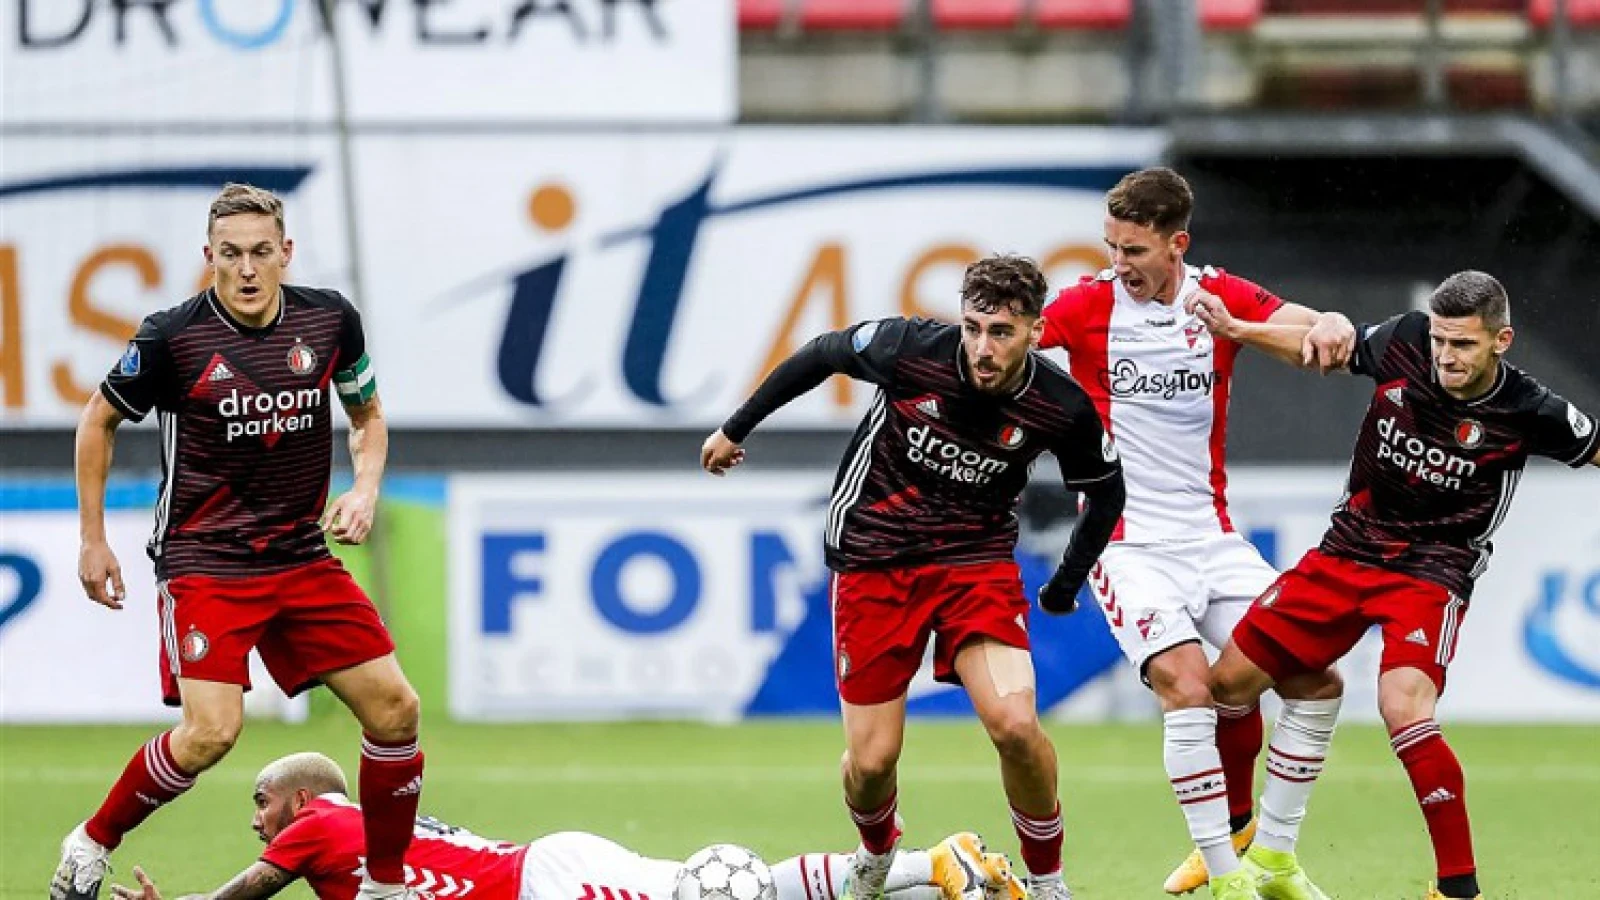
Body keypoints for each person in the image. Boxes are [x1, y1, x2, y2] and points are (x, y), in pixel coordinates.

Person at [701, 255, 1127, 900]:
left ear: (1036, 333)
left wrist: (1066, 583)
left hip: (974, 564)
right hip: (874, 560)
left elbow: (1106, 493)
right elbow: (820, 354)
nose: (983, 349)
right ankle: (875, 853)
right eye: (973, 327)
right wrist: (736, 428)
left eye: (1002, 333)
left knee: (1015, 725)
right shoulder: (908, 348)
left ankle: (1048, 881)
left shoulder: (1059, 405)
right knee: (871, 763)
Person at [54, 184, 426, 900]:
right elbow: (96, 421)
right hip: (205, 560)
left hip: (299, 554)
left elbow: (368, 415)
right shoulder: (170, 337)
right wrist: (92, 539)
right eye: (231, 255)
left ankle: (384, 886)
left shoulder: (329, 321)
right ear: (209, 257)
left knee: (396, 709)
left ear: (286, 253)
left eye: (261, 252)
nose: (247, 269)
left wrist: (365, 487)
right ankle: (91, 841)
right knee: (210, 734)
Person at [1189, 270, 1600, 900]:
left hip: (1432, 570)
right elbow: (1318, 350)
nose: (1445, 356)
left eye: (1462, 344)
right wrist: (1238, 330)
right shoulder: (1405, 341)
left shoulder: (1532, 409)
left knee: (1405, 709)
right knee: (1228, 683)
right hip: (1348, 548)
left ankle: (1457, 888)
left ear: (1502, 340)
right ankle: (1242, 837)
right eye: (1440, 340)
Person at [1036, 166, 1352, 900]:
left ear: (1176, 244)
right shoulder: (1087, 306)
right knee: (1188, 687)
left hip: (1213, 539)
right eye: (1111, 247)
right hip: (1126, 543)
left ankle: (1272, 856)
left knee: (1317, 681)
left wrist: (1332, 323)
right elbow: (1009, 342)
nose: (1119, 264)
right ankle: (1223, 876)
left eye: (1135, 251)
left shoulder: (1221, 297)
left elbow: (1310, 332)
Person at [102, 752, 1026, 900]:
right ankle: (933, 865)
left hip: (549, 881)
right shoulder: (350, 835)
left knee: (702, 892)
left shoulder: (324, 823)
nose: (255, 821)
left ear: (301, 800)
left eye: (259, 802)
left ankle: (923, 867)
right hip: (549, 872)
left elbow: (245, 895)